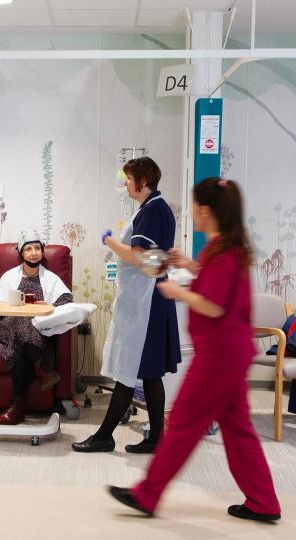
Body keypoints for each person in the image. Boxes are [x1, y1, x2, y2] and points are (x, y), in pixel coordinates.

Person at [107, 178, 280, 523]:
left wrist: (175, 291)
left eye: (193, 207)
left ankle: (147, 494)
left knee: (184, 423)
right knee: (238, 429)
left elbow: (214, 306)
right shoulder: (227, 249)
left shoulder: (223, 251)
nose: (190, 213)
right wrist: (189, 266)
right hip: (229, 353)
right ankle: (263, 502)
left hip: (219, 356)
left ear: (205, 210)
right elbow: (220, 286)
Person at [72, 156, 180, 454]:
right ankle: (156, 438)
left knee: (128, 371)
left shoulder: (153, 210)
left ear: (143, 182)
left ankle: (105, 436)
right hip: (149, 300)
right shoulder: (157, 209)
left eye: (129, 178)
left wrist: (109, 242)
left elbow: (140, 258)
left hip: (146, 305)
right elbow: (155, 260)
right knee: (148, 373)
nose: (125, 183)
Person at [0, 229, 73, 425]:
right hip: (6, 325)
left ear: (42, 252)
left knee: (20, 341)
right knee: (19, 320)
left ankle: (17, 408)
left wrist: (49, 305)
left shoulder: (50, 278)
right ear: (21, 253)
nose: (34, 252)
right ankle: (42, 368)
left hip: (35, 329)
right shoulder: (8, 277)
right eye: (29, 249)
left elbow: (67, 299)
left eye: (37, 248)